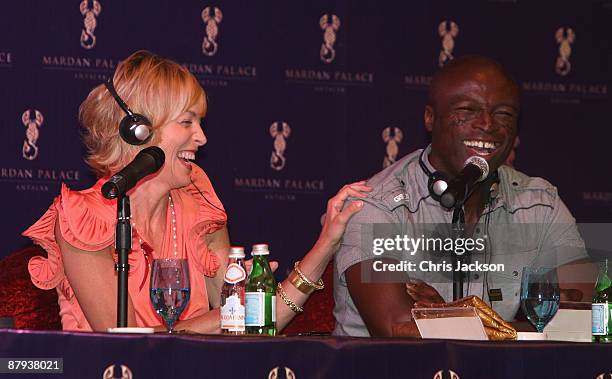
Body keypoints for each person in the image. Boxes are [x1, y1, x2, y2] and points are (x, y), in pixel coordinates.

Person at [23, 50, 370, 333]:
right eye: (187, 122)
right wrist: (222, 318)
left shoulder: (198, 197)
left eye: (200, 123)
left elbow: (259, 321)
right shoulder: (82, 218)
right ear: (138, 131)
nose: (202, 138)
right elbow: (123, 341)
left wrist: (326, 243)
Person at [333, 55, 589, 337]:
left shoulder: (540, 203)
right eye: (467, 110)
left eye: (503, 114)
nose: (487, 124)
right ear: (430, 118)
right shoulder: (376, 206)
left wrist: (458, 317)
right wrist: (511, 328)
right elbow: (397, 329)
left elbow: (586, 318)